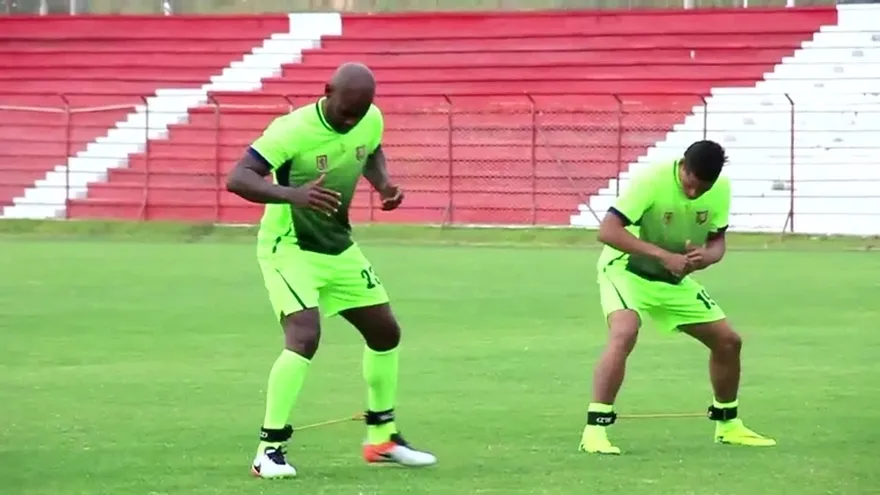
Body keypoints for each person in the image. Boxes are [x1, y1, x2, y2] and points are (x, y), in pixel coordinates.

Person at [226, 62, 437, 479]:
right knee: (304, 335)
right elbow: (239, 178)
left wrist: (385, 185)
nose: (351, 121)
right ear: (327, 92)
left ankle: (382, 438)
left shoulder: (369, 119)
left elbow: (371, 149)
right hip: (289, 247)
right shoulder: (292, 129)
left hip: (338, 246)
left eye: (360, 113)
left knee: (385, 332)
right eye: (345, 112)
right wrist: (294, 195)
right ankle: (269, 450)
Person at [579, 140, 776, 455]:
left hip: (673, 277)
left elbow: (717, 242)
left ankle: (728, 425)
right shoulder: (651, 181)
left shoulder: (721, 188)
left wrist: (706, 257)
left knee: (728, 341)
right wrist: (662, 255)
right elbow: (608, 231)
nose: (694, 194)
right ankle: (595, 431)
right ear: (682, 166)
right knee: (625, 330)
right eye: (690, 185)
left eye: (703, 189)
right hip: (626, 271)